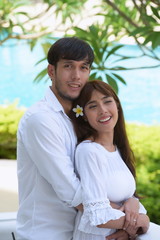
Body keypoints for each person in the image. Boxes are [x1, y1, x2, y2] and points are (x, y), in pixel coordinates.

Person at [16, 37, 94, 240]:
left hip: (80, 233)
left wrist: (131, 202)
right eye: (68, 66)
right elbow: (72, 191)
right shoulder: (41, 119)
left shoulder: (82, 117)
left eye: (83, 68)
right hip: (44, 235)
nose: (76, 76)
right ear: (52, 71)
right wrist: (125, 218)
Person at [70, 80, 159, 240]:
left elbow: (124, 200)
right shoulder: (88, 151)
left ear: (117, 105)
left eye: (107, 101)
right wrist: (142, 221)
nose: (103, 110)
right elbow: (97, 214)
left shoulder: (118, 149)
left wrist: (133, 201)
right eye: (92, 106)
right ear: (83, 115)